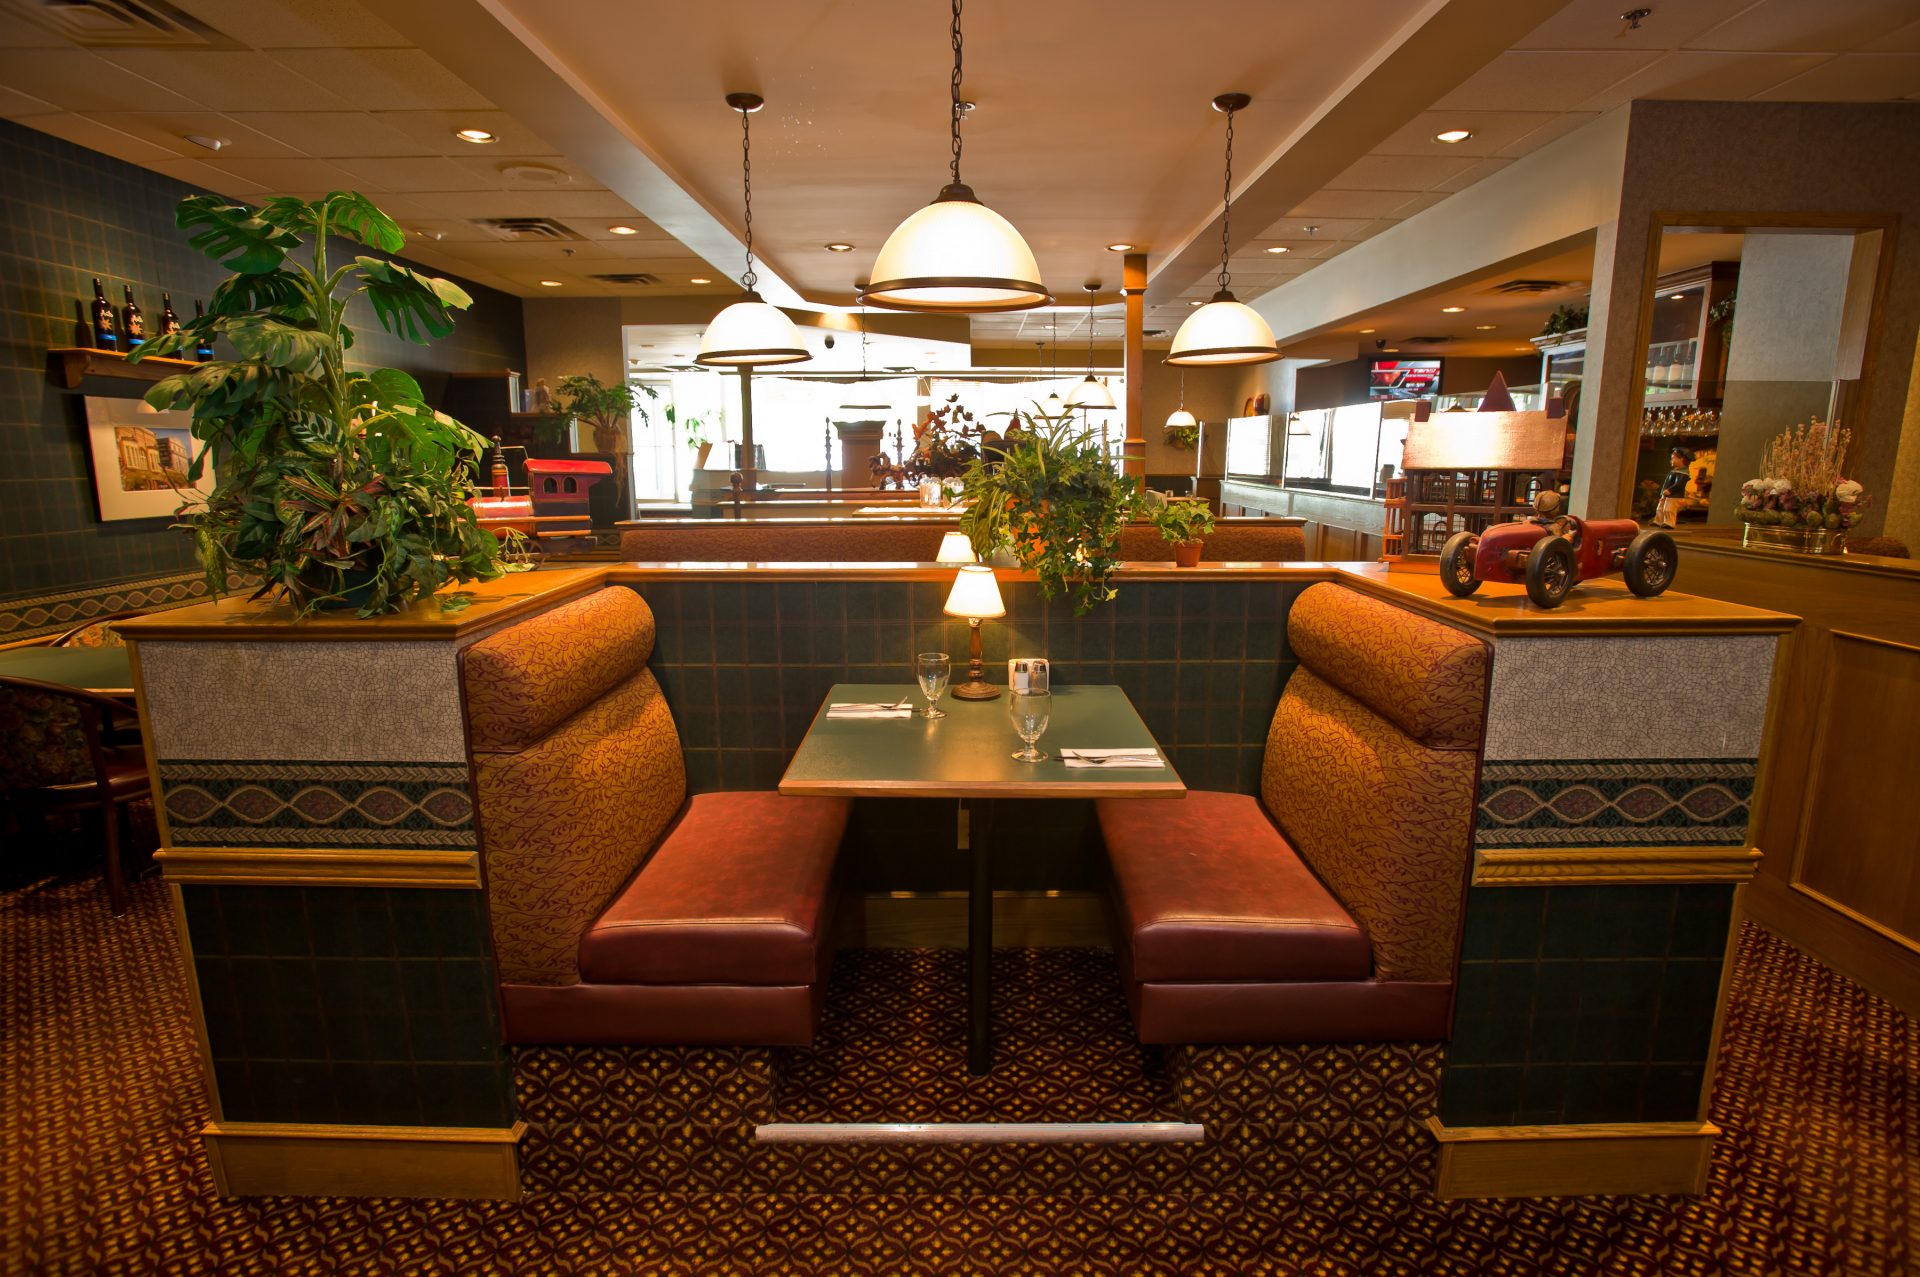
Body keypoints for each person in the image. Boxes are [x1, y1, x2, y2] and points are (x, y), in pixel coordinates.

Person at [1656, 448, 1694, 528]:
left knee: (1669, 509)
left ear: (1682, 459)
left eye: (1673, 458)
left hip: (1674, 495)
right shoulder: (1674, 471)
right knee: (1660, 507)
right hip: (1666, 494)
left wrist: (1670, 490)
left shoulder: (1682, 473)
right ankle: (1658, 521)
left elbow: (1679, 484)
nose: (1671, 460)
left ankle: (1669, 523)